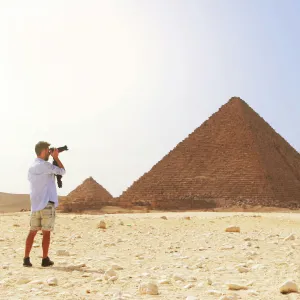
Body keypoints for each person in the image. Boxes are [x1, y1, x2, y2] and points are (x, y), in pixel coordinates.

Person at [23, 141, 66, 267]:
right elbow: (62, 171)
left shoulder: (31, 167)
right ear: (42, 151)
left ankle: (26, 259)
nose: (49, 152)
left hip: (35, 205)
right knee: (46, 232)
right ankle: (45, 259)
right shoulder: (46, 166)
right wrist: (56, 157)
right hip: (47, 203)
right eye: (48, 150)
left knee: (32, 231)